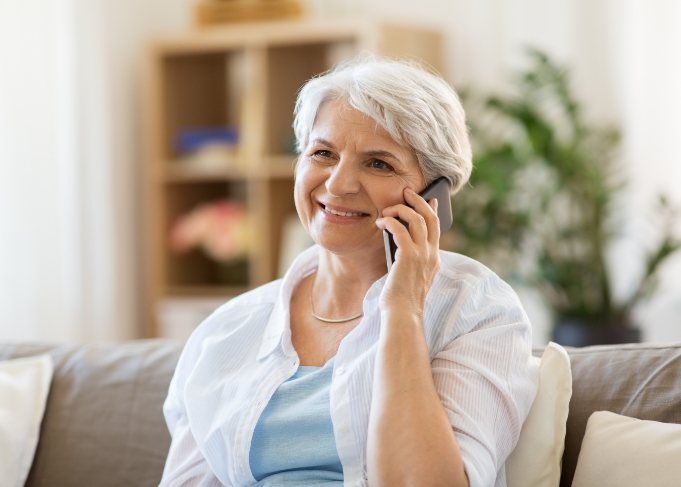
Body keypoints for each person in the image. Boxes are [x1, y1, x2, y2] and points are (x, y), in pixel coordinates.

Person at [160, 56, 538, 487]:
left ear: (435, 196)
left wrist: (402, 310)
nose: (338, 184)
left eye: (378, 163)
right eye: (323, 153)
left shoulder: (476, 310)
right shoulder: (225, 332)